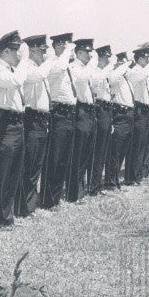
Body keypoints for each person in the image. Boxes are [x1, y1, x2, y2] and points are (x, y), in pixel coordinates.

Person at [0, 30, 26, 227]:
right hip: (3, 123)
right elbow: (16, 82)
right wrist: (25, 60)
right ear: (7, 50)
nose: (19, 55)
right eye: (17, 51)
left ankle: (6, 216)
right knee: (1, 171)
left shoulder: (10, 70)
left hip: (16, 122)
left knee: (14, 171)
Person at [15, 34, 54, 217]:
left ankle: (30, 203)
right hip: (31, 118)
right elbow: (39, 76)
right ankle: (25, 207)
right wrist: (52, 59)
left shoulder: (37, 68)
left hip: (41, 120)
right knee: (29, 165)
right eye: (41, 51)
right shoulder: (30, 68)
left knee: (36, 164)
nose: (44, 55)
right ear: (31, 51)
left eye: (46, 51)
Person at [41, 33, 77, 208]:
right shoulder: (55, 63)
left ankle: (55, 197)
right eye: (65, 46)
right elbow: (60, 67)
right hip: (58, 113)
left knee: (64, 158)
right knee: (54, 158)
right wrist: (67, 51)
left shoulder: (66, 65)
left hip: (69, 113)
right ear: (57, 46)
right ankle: (48, 199)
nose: (69, 50)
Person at [67, 39, 97, 201]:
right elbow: (81, 80)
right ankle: (74, 192)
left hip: (90, 111)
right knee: (78, 154)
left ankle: (81, 188)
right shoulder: (74, 67)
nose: (90, 55)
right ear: (78, 53)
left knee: (86, 152)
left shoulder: (86, 68)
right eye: (87, 52)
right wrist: (94, 63)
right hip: (81, 111)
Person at [88, 44, 115, 196]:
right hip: (98, 109)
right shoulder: (96, 72)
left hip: (106, 109)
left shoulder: (103, 73)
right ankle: (92, 186)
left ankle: (97, 184)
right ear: (101, 57)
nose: (107, 61)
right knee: (97, 151)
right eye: (106, 58)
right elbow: (96, 84)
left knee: (102, 151)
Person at [126, 45, 149, 184]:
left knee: (143, 144)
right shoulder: (136, 71)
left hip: (145, 110)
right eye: (145, 58)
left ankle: (138, 173)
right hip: (139, 110)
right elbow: (147, 72)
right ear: (139, 59)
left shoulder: (142, 72)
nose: (147, 60)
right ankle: (133, 176)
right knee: (137, 145)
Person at [105, 51, 134, 189]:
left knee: (122, 150)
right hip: (120, 115)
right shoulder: (116, 76)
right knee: (115, 152)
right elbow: (113, 76)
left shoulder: (126, 78)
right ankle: (111, 181)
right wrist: (125, 64)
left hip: (129, 115)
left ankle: (115, 180)